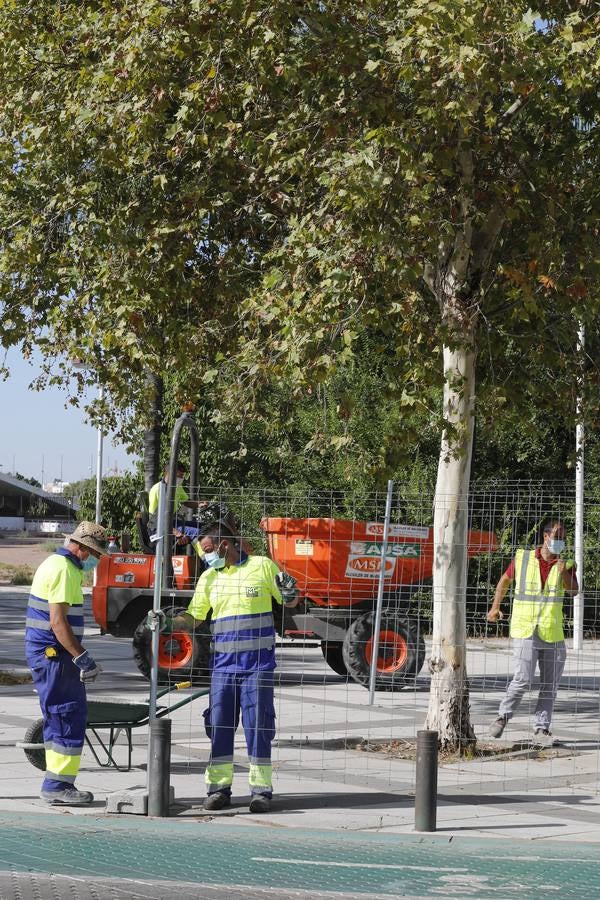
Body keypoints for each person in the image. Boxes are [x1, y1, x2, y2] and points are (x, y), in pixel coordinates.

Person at [151, 520, 299, 813]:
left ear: (224, 545)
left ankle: (261, 791)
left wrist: (291, 592)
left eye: (207, 550)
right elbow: (194, 618)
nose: (205, 555)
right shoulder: (209, 578)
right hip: (223, 669)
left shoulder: (262, 567)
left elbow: (288, 601)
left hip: (257, 667)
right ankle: (218, 790)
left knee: (258, 726)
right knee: (219, 726)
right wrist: (166, 622)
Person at [25, 521, 109, 805]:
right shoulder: (64, 569)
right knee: (66, 715)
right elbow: (58, 622)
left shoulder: (57, 564)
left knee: (59, 717)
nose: (95, 560)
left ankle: (56, 781)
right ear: (83, 549)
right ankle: (57, 786)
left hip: (50, 655)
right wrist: (82, 658)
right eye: (95, 554)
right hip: (55, 655)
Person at [487, 518, 578, 743]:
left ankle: (541, 728)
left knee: (550, 685)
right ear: (545, 537)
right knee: (523, 678)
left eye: (563, 538)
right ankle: (502, 717)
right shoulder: (524, 559)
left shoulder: (566, 564)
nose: (560, 542)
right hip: (526, 628)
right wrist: (495, 607)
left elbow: (574, 591)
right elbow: (504, 582)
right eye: (557, 537)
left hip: (552, 631)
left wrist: (564, 571)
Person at [148, 464, 206, 543]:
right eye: (179, 476)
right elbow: (157, 519)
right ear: (169, 474)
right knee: (197, 532)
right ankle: (207, 555)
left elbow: (186, 501)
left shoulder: (176, 487)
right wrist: (176, 532)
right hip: (158, 527)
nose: (181, 478)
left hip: (172, 523)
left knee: (204, 528)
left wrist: (199, 504)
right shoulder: (159, 490)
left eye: (182, 476)